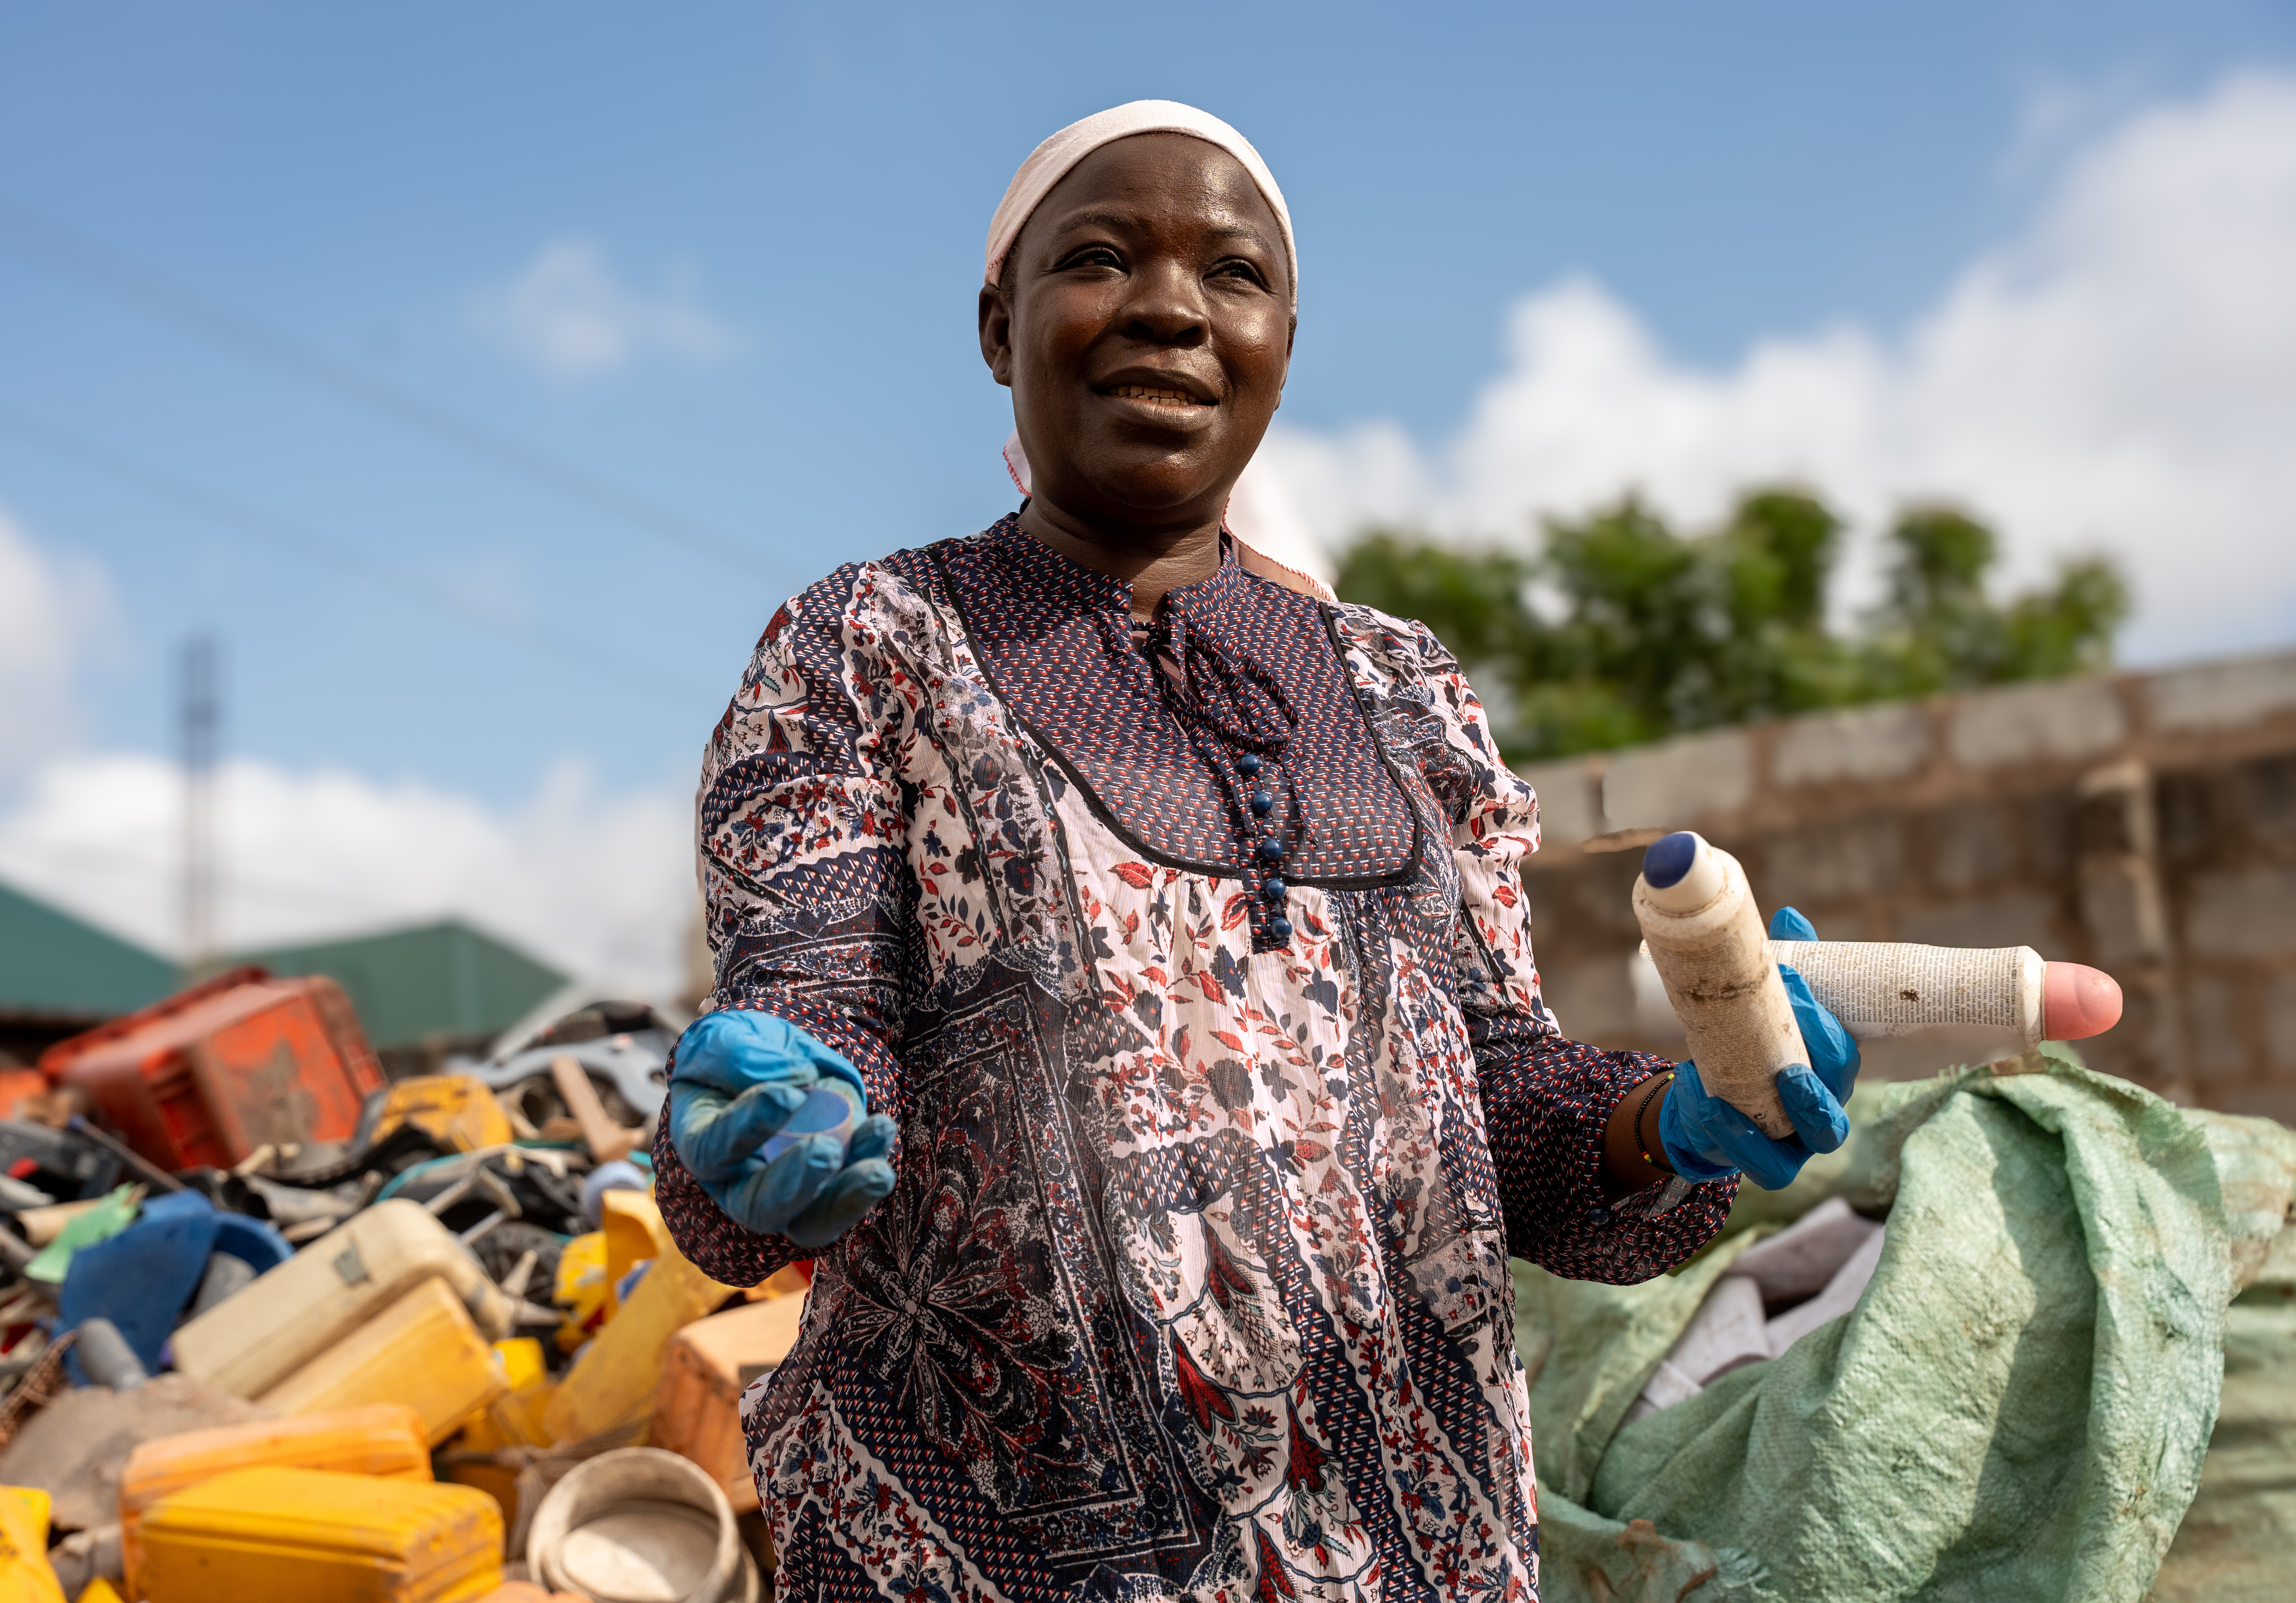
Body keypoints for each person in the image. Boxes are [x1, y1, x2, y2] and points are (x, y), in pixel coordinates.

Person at [652, 100, 1858, 1603]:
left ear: (1286, 335)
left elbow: (1504, 1089)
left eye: (1233, 274)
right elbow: (806, 1011)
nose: (1169, 308)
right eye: (1099, 258)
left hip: (1413, 1551)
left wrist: (1668, 1120)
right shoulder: (864, 648)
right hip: (987, 1557)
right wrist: (770, 1126)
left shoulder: (1403, 690)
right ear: (996, 323)